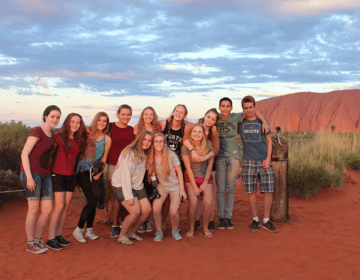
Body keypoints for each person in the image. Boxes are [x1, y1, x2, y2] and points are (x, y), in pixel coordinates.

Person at [216, 97, 268, 230]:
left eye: (228, 106)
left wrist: (264, 122)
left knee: (231, 188)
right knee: (221, 189)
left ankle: (229, 217)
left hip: (233, 158)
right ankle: (221, 217)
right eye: (223, 106)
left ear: (232, 108)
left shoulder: (236, 117)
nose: (225, 108)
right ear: (219, 107)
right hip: (220, 158)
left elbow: (253, 112)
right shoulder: (216, 119)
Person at [20, 105, 61, 254]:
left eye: (57, 117)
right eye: (52, 117)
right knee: (34, 209)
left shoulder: (53, 134)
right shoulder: (37, 131)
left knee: (48, 209)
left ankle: (38, 239)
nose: (55, 120)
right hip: (32, 174)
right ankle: (30, 243)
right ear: (46, 116)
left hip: (46, 175)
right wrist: (29, 177)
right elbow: (24, 154)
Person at [238, 95, 278, 233]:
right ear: (243, 109)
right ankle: (255, 219)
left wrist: (268, 159)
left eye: (251, 107)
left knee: (268, 190)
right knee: (251, 191)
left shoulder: (262, 122)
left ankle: (266, 220)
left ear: (254, 107)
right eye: (245, 108)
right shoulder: (240, 123)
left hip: (263, 160)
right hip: (248, 161)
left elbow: (269, 141)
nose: (248, 110)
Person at [47, 113, 87, 250]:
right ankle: (50, 238)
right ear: (67, 122)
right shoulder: (58, 137)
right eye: (73, 121)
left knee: (65, 207)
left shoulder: (78, 139)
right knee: (58, 207)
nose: (75, 124)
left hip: (70, 176)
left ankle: (58, 235)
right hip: (57, 175)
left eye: (78, 122)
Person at [73, 112, 111, 243]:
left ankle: (89, 230)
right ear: (96, 121)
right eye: (99, 120)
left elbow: (104, 158)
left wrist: (100, 172)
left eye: (104, 121)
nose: (102, 123)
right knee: (91, 200)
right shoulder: (87, 133)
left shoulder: (107, 138)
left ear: (107, 123)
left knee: (94, 199)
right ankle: (78, 229)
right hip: (83, 170)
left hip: (96, 171)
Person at [111, 130, 153, 245]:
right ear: (139, 139)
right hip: (121, 184)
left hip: (137, 185)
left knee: (147, 210)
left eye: (149, 141)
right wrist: (129, 196)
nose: (146, 142)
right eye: (144, 139)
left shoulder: (146, 153)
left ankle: (132, 233)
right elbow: (125, 175)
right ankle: (122, 236)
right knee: (135, 212)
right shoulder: (129, 152)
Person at [183, 108, 220, 231]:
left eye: (213, 119)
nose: (210, 120)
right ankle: (194, 225)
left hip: (205, 172)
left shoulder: (210, 138)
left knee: (208, 202)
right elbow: (185, 140)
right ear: (204, 116)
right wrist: (192, 150)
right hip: (192, 174)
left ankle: (207, 224)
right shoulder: (190, 136)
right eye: (208, 117)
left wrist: (205, 157)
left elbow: (215, 150)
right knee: (194, 202)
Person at [147, 133, 187, 241]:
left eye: (161, 141)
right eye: (156, 141)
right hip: (161, 188)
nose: (159, 143)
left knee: (173, 212)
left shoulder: (171, 155)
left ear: (165, 143)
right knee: (156, 209)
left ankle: (175, 230)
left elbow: (179, 172)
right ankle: (159, 232)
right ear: (153, 143)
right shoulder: (150, 156)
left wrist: (182, 191)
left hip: (175, 187)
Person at [159, 104, 192, 230]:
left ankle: (173, 223)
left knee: (174, 194)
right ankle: (161, 222)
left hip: (177, 164)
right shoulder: (163, 124)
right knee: (162, 194)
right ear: (173, 112)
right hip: (163, 164)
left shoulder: (186, 127)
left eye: (181, 112)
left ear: (185, 115)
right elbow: (149, 124)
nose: (178, 114)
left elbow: (197, 127)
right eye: (176, 111)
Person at [106, 105, 135, 238]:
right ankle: (114, 223)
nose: (126, 117)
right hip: (113, 165)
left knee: (126, 194)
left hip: (128, 166)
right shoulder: (110, 127)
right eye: (123, 114)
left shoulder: (132, 130)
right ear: (118, 114)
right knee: (116, 195)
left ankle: (123, 221)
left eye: (128, 115)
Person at [182, 124, 214, 238]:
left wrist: (205, 181)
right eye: (194, 131)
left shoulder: (208, 144)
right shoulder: (186, 147)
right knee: (194, 203)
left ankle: (205, 227)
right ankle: (191, 228)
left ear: (203, 133)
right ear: (191, 133)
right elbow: (188, 168)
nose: (197, 134)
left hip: (205, 176)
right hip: (190, 178)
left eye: (199, 132)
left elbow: (210, 164)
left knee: (208, 203)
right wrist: (195, 187)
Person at [134, 106, 162, 234]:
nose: (148, 117)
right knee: (141, 189)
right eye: (146, 114)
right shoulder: (137, 128)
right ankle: (141, 221)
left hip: (153, 161)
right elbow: (136, 144)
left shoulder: (157, 128)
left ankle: (147, 220)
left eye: (151, 114)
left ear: (154, 116)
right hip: (140, 161)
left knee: (151, 188)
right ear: (142, 115)